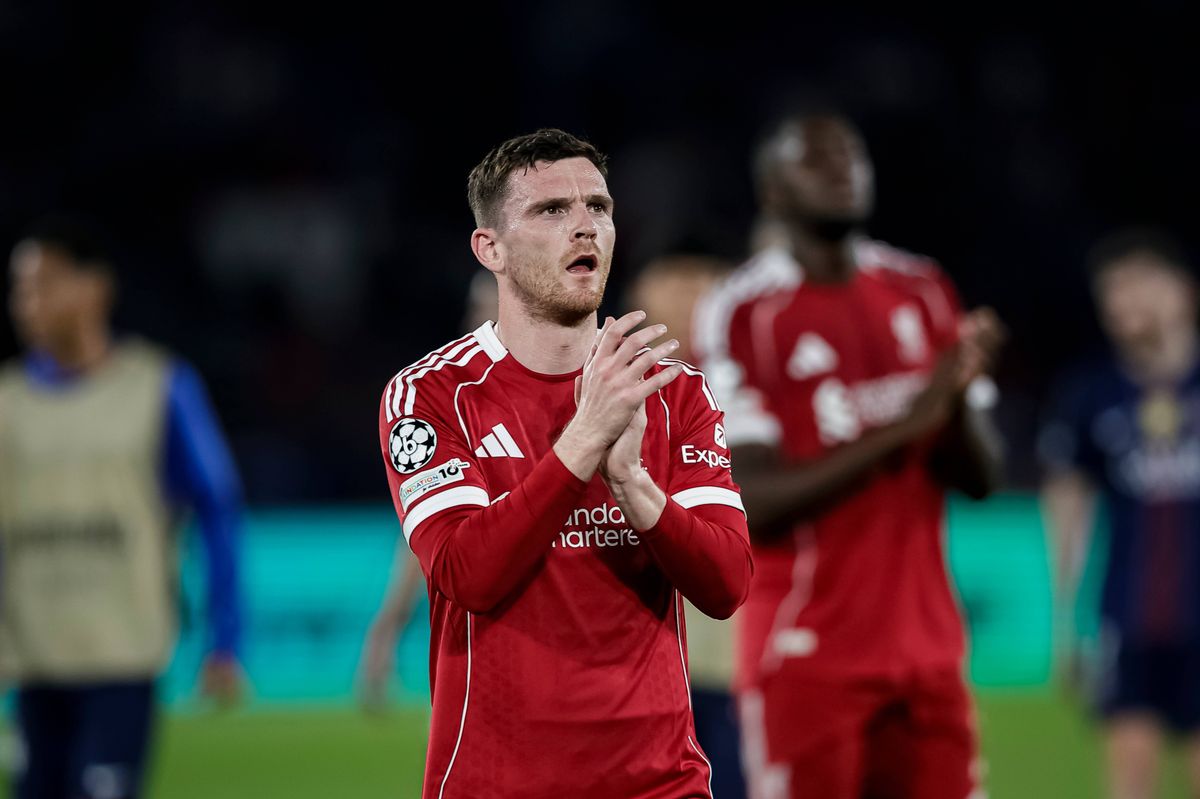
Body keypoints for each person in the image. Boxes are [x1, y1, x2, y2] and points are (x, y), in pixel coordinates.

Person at [376, 129, 752, 798]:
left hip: (660, 782)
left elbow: (726, 584)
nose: (584, 226)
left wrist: (635, 484)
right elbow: (468, 574)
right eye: (551, 210)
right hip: (497, 783)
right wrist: (585, 440)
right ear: (489, 247)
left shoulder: (675, 390)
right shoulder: (432, 394)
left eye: (598, 207)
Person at [695, 112, 1005, 799]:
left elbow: (983, 478)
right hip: (808, 650)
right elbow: (751, 501)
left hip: (928, 648)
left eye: (851, 155)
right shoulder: (746, 312)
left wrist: (953, 403)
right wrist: (903, 427)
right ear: (773, 191)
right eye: (815, 159)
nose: (843, 170)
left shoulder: (920, 288)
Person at [0, 217, 244, 799]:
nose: (25, 303)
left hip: (120, 654)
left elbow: (217, 507)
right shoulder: (7, 401)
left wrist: (225, 639)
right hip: (31, 661)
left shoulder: (158, 387)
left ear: (94, 288)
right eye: (19, 288)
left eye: (43, 284)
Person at [1040, 229, 1200, 799]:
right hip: (1126, 615)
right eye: (1111, 293)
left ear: (1181, 292)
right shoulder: (1092, 394)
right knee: (1129, 776)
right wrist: (1065, 619)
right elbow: (1068, 503)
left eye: (1137, 286)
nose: (1121, 304)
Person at [627, 251, 746, 799]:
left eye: (702, 280)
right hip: (650, 661)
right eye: (673, 280)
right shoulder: (610, 392)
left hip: (744, 651)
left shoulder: (753, 386)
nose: (689, 295)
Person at [358, 272, 498, 710]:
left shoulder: (593, 383)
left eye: (485, 306)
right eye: (474, 309)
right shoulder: (445, 400)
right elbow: (429, 542)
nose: (475, 320)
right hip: (489, 641)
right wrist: (387, 629)